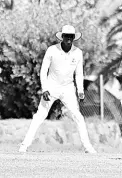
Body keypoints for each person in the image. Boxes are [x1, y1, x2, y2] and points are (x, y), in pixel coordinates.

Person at [18, 25, 96, 154]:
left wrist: (80, 91)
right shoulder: (52, 50)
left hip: (68, 89)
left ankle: (88, 147)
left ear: (74, 38)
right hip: (51, 86)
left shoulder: (78, 52)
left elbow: (79, 74)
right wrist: (45, 89)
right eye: (66, 36)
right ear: (62, 37)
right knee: (39, 116)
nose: (69, 39)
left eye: (71, 36)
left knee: (78, 117)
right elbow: (43, 70)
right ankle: (24, 146)